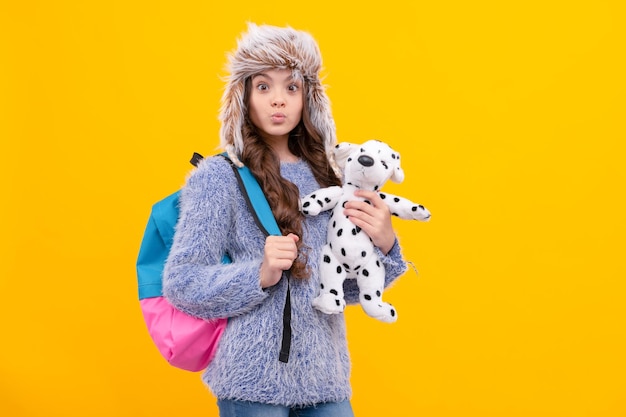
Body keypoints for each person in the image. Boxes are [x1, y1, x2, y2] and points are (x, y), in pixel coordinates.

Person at [162, 23, 408, 416]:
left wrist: (386, 245)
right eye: (263, 86)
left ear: (309, 98)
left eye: (291, 87)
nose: (278, 100)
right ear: (243, 95)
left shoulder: (330, 177)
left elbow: (342, 287)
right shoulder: (219, 176)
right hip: (250, 382)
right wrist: (257, 274)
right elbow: (182, 281)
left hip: (325, 379)